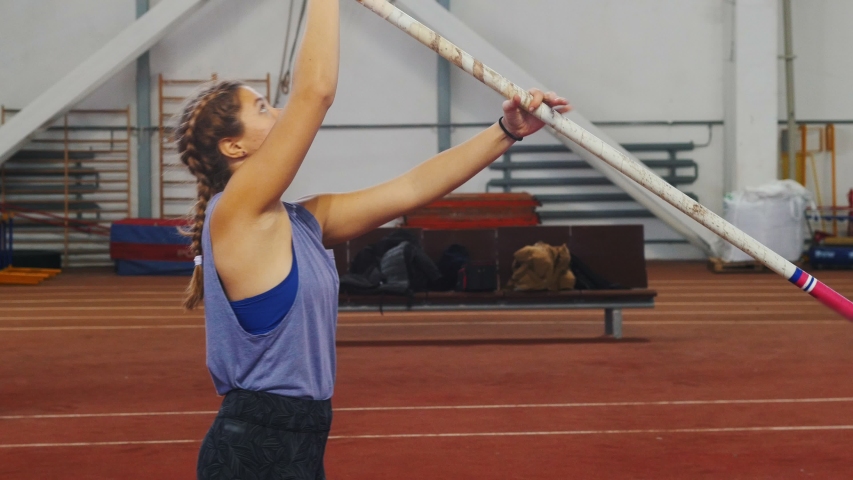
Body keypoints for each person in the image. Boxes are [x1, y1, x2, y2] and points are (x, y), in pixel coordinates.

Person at [177, 0, 570, 478]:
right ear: (233, 147)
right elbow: (315, 92)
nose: (278, 110)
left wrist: (507, 130)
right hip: (253, 450)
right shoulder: (234, 213)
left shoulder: (304, 220)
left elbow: (410, 189)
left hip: (299, 444)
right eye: (261, 107)